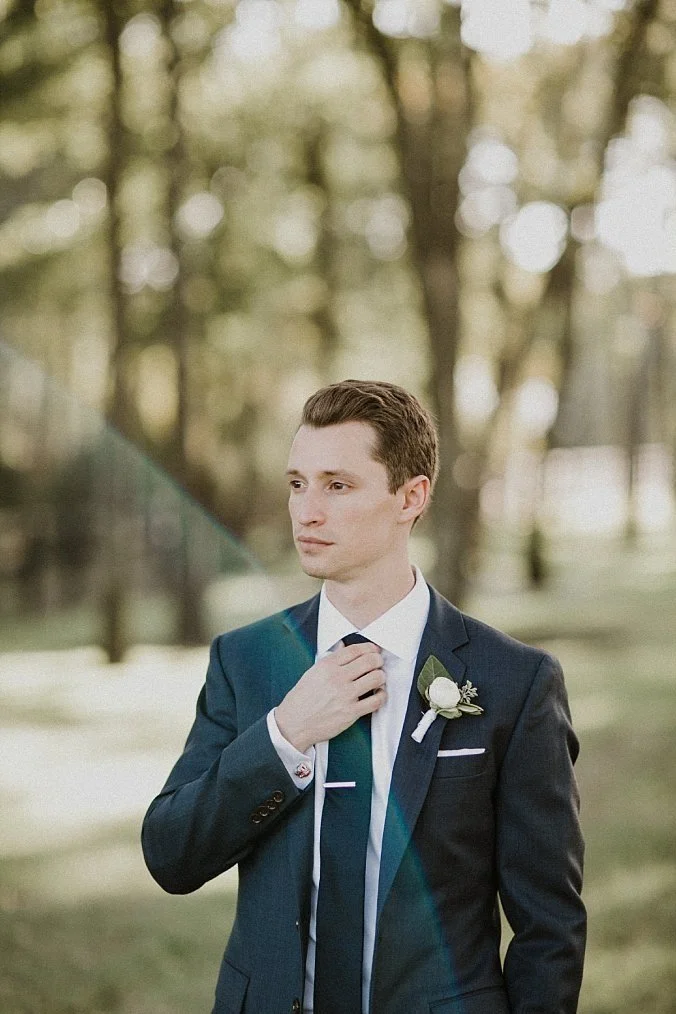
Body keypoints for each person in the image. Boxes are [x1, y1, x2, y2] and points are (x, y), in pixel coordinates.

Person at [142, 379, 586, 1014]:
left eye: (337, 485)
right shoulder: (244, 662)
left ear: (411, 497)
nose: (306, 511)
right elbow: (171, 856)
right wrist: (284, 735)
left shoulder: (516, 683)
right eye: (297, 483)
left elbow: (551, 927)